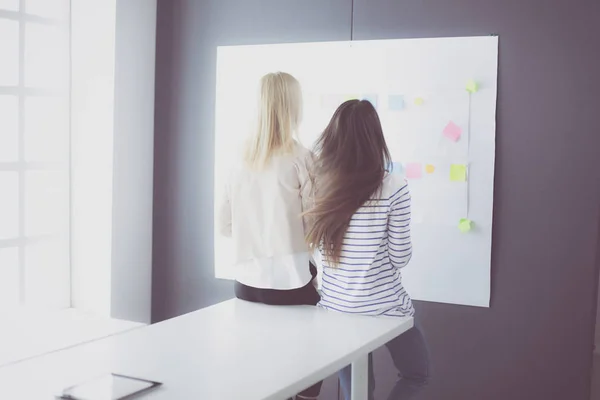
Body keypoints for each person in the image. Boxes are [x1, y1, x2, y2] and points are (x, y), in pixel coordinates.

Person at [304, 99, 430, 400]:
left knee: (358, 392)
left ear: (333, 138)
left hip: (337, 310)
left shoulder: (321, 184)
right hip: (385, 308)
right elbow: (400, 257)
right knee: (417, 373)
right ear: (375, 137)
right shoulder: (394, 185)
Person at [217, 71, 321, 400]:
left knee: (258, 375)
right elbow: (315, 225)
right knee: (306, 378)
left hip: (247, 283)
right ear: (294, 107)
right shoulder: (302, 159)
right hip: (291, 283)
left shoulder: (238, 157)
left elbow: (224, 225)